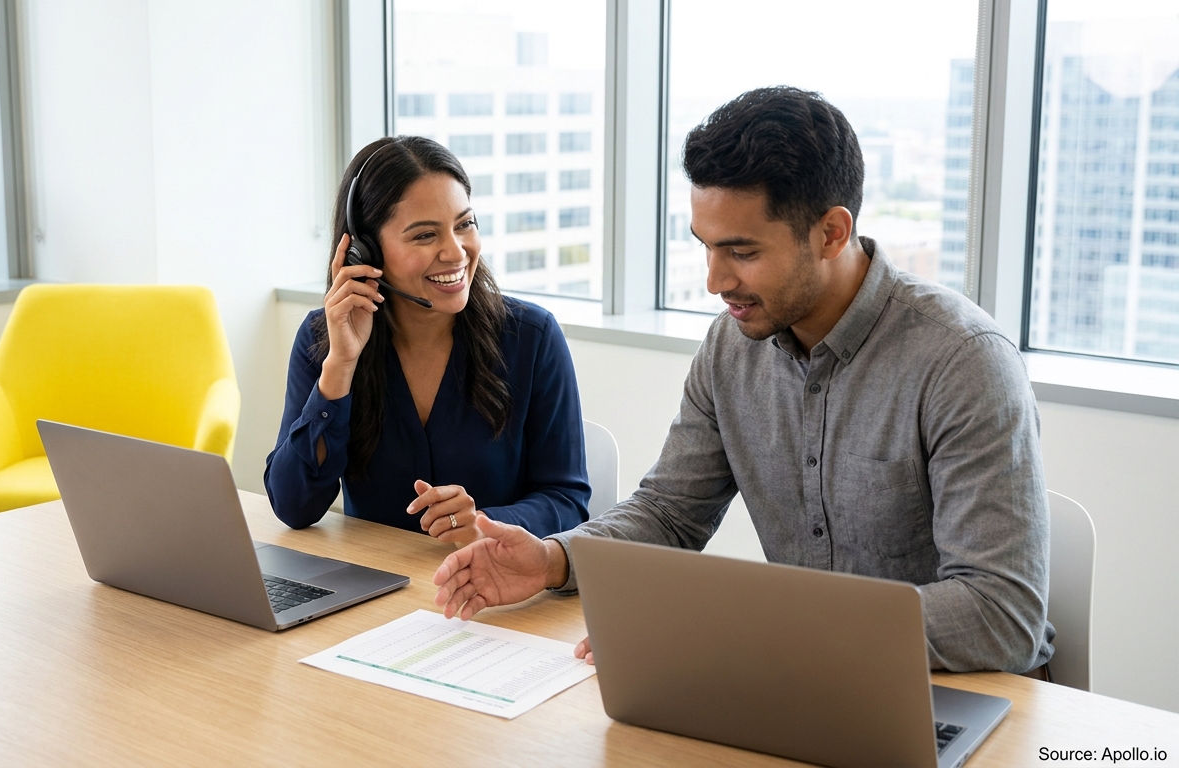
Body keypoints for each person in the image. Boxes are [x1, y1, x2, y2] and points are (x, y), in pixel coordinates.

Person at [433, 87, 1054, 675]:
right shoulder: (733, 344)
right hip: (807, 680)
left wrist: (751, 630)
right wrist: (552, 559)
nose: (714, 281)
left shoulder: (963, 361)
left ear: (832, 232)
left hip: (959, 693)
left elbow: (1002, 614)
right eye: (705, 246)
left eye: (742, 252)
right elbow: (671, 513)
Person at [265, 136, 590, 546]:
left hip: (495, 592)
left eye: (464, 224)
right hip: (376, 592)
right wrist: (340, 367)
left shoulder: (532, 337)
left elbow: (569, 501)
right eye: (424, 236)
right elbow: (294, 507)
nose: (456, 252)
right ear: (365, 252)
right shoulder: (325, 338)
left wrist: (487, 523)